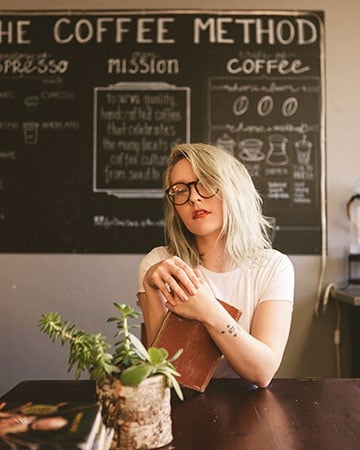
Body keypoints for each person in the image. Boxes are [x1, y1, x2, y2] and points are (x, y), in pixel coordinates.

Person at [137, 143, 294, 388]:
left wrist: (208, 310)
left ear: (233, 189)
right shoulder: (158, 266)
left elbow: (263, 372)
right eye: (180, 190)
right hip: (180, 401)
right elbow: (164, 372)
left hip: (249, 406)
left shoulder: (274, 267)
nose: (194, 198)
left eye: (206, 183)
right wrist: (151, 291)